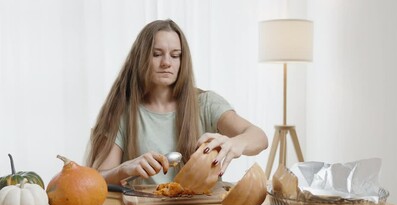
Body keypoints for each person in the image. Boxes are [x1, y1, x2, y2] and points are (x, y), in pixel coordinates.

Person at [86, 19, 268, 185]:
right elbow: (96, 179)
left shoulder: (206, 103)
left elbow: (259, 137)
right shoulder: (122, 111)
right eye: (157, 54)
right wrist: (123, 169)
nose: (166, 62)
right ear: (141, 58)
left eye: (175, 55)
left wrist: (235, 144)